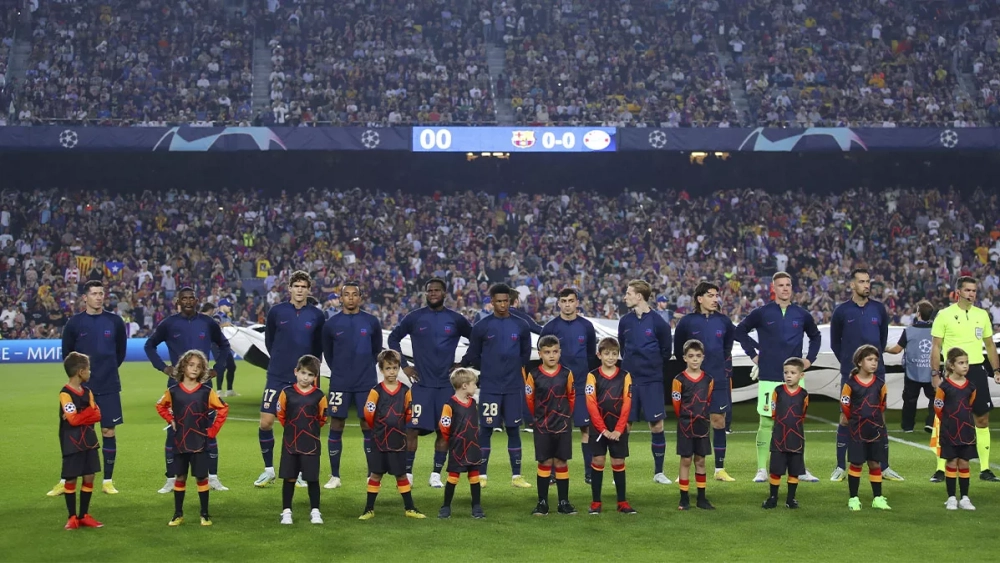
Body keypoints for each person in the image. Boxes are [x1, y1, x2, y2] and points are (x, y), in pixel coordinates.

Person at [735, 272, 821, 483]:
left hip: (795, 378)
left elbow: (815, 336)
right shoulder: (762, 313)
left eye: (788, 285)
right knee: (766, 423)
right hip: (769, 376)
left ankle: (800, 469)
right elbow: (740, 331)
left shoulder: (801, 314)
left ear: (792, 288)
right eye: (781, 285)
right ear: (773, 288)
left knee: (796, 423)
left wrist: (809, 360)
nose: (785, 288)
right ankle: (761, 469)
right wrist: (754, 355)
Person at [144, 287, 232, 493]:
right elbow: (150, 345)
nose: (188, 301)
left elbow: (224, 345)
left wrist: (217, 369)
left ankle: (212, 477)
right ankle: (171, 479)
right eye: (184, 298)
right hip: (176, 385)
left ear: (197, 300)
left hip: (204, 385)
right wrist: (164, 367)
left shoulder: (208, 323)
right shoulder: (169, 324)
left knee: (209, 431)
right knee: (173, 431)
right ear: (178, 301)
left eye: (191, 298)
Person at [387, 277, 472, 488]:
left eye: (437, 290)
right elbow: (393, 339)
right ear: (426, 294)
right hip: (421, 385)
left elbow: (476, 340)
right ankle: (408, 472)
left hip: (445, 385)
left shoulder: (456, 319)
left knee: (444, 430)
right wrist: (404, 365)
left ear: (445, 294)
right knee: (411, 429)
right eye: (429, 290)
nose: (433, 293)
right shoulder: (415, 318)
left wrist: (462, 364)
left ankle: (436, 473)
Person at [50, 280, 127, 497]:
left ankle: (108, 480)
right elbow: (68, 355)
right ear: (85, 297)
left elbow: (120, 352)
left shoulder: (115, 321)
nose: (99, 297)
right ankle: (66, 480)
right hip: (81, 390)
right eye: (94, 293)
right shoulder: (74, 324)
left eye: (101, 293)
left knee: (108, 431)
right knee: (76, 433)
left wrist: (106, 370)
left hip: (109, 385)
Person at [255, 271, 325, 488]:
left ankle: (302, 472)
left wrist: (314, 379)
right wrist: (280, 359)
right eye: (297, 286)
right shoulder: (277, 311)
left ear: (308, 289)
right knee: (266, 422)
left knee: (301, 426)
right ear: (290, 288)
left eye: (304, 286)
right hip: (277, 375)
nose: (300, 289)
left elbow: (317, 350)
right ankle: (268, 470)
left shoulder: (316, 315)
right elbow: (269, 342)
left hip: (303, 379)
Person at [829, 268, 901, 482]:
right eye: (861, 282)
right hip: (850, 376)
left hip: (876, 376)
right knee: (845, 418)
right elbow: (835, 343)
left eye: (868, 281)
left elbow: (881, 339)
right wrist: (849, 365)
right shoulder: (841, 312)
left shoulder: (879, 309)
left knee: (879, 417)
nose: (866, 285)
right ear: (852, 285)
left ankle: (884, 467)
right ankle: (841, 466)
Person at [460, 283, 532, 489]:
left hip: (512, 387)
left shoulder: (521, 325)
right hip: (490, 388)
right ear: (491, 302)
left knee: (513, 429)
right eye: (498, 301)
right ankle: (481, 475)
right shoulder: (482, 327)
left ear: (510, 301)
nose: (502, 305)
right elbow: (473, 354)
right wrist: (483, 368)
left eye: (505, 301)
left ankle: (517, 476)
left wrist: (511, 369)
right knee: (485, 430)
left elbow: (525, 354)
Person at [930, 276, 1000, 482]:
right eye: (968, 290)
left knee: (982, 419)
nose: (972, 294)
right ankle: (941, 469)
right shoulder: (944, 315)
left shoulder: (982, 315)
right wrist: (935, 373)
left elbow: (989, 345)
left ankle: (985, 469)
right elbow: (935, 346)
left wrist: (997, 368)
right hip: (951, 373)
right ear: (958, 292)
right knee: (947, 420)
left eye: (974, 291)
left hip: (977, 370)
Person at [155, 350, 229, 526]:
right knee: (180, 477)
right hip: (180, 441)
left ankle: (204, 514)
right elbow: (160, 406)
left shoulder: (206, 391)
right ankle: (178, 514)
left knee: (201, 478)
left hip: (200, 442)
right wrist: (170, 419)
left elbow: (223, 409)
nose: (195, 369)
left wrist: (212, 431)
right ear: (183, 367)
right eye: (191, 365)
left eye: (199, 366)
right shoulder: (173, 391)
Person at [320, 281, 382, 489]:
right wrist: (340, 370)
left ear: (360, 297)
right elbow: (327, 353)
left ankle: (370, 473)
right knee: (336, 425)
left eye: (355, 294)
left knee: (368, 425)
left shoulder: (371, 322)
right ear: (341, 298)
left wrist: (363, 367)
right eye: (347, 294)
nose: (351, 298)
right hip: (340, 382)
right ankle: (335, 476)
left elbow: (376, 350)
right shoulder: (331, 324)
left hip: (366, 383)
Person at [673, 281, 736, 482]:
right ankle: (684, 470)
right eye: (710, 295)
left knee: (719, 421)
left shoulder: (725, 322)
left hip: (718, 378)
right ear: (699, 298)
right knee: (690, 422)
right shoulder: (686, 322)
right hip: (692, 382)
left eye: (716, 295)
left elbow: (727, 349)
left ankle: (720, 469)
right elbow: (678, 350)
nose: (715, 299)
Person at [540, 288, 598, 483]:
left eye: (570, 301)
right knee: (555, 430)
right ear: (558, 303)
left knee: (586, 429)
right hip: (556, 387)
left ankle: (589, 473)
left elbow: (591, 355)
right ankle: (554, 474)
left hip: (580, 386)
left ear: (577, 302)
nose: (567, 304)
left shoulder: (587, 326)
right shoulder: (549, 327)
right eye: (563, 301)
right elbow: (544, 357)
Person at [359, 350, 426, 520]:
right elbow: (368, 413)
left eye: (395, 368)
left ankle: (410, 508)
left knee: (401, 474)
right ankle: (368, 509)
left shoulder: (405, 390)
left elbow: (409, 412)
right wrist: (379, 428)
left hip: (398, 440)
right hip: (379, 440)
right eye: (388, 368)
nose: (392, 372)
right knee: (375, 474)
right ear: (381, 369)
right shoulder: (376, 391)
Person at [617, 279, 672, 485]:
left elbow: (667, 352)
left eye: (629, 293)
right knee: (625, 425)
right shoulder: (625, 321)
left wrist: (651, 365)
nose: (625, 296)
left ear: (639, 296)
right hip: (630, 381)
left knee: (656, 425)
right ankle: (619, 471)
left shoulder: (659, 323)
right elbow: (623, 347)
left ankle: (659, 473)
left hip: (652, 381)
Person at [524, 335, 577, 516]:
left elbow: (571, 397)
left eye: (555, 352)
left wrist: (563, 416)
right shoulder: (534, 375)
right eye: (547, 352)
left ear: (560, 353)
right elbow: (530, 400)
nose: (552, 356)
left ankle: (564, 502)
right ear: (540, 354)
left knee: (561, 462)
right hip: (542, 426)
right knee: (545, 462)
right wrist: (540, 418)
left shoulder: (566, 374)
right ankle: (542, 503)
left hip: (562, 425)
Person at [585, 337, 637, 514]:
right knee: (598, 460)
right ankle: (596, 503)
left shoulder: (625, 376)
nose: (610, 357)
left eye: (614, 354)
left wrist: (618, 429)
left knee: (618, 461)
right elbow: (591, 404)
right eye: (606, 353)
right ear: (599, 355)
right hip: (599, 428)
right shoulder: (592, 376)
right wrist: (603, 429)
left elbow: (627, 404)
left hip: (617, 428)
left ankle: (622, 502)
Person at [277, 355, 328, 525]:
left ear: (316, 377)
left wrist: (309, 431)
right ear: (296, 372)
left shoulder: (319, 396)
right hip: (290, 443)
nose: (306, 378)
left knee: (312, 479)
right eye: (303, 373)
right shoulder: (286, 393)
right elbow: (282, 415)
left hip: (311, 444)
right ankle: (286, 511)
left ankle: (315, 511)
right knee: (289, 478)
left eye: (311, 375)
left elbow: (322, 419)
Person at [840, 345, 891, 511]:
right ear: (860, 362)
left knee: (875, 463)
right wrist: (853, 420)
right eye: (870, 359)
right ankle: (853, 498)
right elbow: (846, 405)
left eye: (876, 360)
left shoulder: (880, 384)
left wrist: (880, 425)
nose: (874, 363)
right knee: (856, 464)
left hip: (875, 431)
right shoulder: (850, 384)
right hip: (857, 430)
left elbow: (882, 404)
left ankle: (878, 498)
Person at [59, 352, 104, 530]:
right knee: (71, 479)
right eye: (88, 369)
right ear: (80, 371)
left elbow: (98, 415)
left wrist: (79, 414)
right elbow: (74, 421)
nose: (90, 372)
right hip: (72, 441)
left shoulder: (88, 392)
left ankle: (83, 514)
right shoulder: (65, 394)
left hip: (89, 440)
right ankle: (72, 517)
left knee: (89, 476)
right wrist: (87, 414)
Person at [672, 340, 715, 511]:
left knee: (701, 461)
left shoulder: (709, 380)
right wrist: (685, 417)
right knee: (686, 460)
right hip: (685, 425)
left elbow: (708, 400)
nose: (695, 359)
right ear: (684, 358)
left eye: (698, 356)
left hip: (702, 425)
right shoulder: (679, 379)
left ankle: (702, 498)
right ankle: (684, 498)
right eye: (691, 356)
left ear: (703, 357)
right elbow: (677, 404)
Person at [437, 368, 486, 519]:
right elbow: (444, 426)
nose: (476, 387)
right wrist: (453, 440)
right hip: (458, 447)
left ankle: (476, 506)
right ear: (464, 385)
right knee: (453, 476)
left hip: (473, 446)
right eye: (474, 384)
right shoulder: (449, 405)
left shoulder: (473, 403)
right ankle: (446, 506)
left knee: (474, 476)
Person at [762, 357, 809, 510]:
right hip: (779, 438)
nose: (788, 375)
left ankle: (790, 499)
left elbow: (803, 414)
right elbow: (774, 412)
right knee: (775, 470)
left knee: (794, 471)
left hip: (796, 438)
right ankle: (773, 498)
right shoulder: (778, 391)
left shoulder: (804, 394)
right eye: (786, 372)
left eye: (793, 373)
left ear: (801, 375)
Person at [934, 348, 977, 510]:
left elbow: (970, 404)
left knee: (964, 463)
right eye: (961, 363)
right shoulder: (944, 387)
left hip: (966, 431)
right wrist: (948, 423)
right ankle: (951, 497)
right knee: (952, 462)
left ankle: (965, 497)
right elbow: (938, 408)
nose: (965, 366)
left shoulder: (971, 387)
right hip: (949, 431)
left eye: (966, 363)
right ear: (951, 366)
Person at [885, 300, 936, 435]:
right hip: (931, 371)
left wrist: (883, 348)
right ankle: (931, 422)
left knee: (909, 401)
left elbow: (896, 350)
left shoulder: (909, 331)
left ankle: (908, 427)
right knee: (935, 398)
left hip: (912, 372)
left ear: (918, 313)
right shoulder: (936, 331)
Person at [201, 301, 237, 397]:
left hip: (225, 344)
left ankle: (229, 390)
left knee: (232, 366)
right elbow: (214, 328)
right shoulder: (217, 316)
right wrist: (224, 325)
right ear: (222, 306)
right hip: (217, 345)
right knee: (222, 366)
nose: (229, 307)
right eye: (227, 305)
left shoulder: (227, 317)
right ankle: (219, 390)